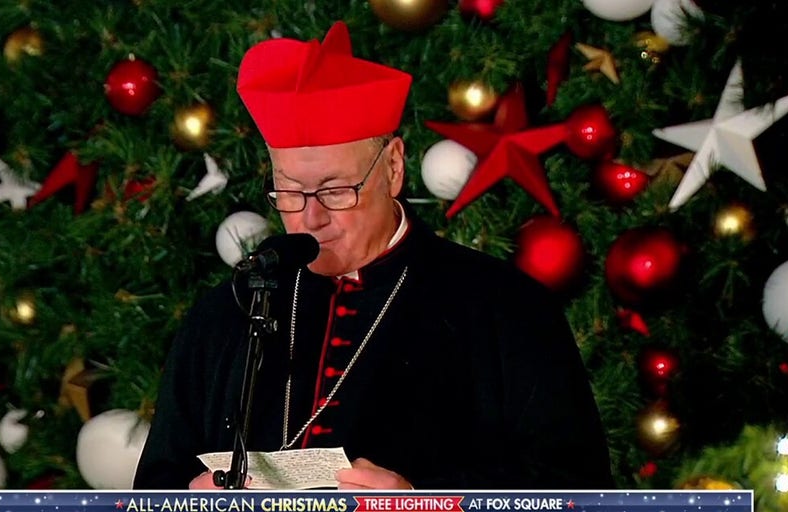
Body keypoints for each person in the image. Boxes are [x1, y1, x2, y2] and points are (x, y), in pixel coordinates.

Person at [133, 20, 614, 490]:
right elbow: (155, 485)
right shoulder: (226, 315)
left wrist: (422, 504)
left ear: (392, 169)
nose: (310, 219)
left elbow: (578, 491)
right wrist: (191, 498)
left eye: (336, 190)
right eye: (289, 192)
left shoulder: (504, 308)